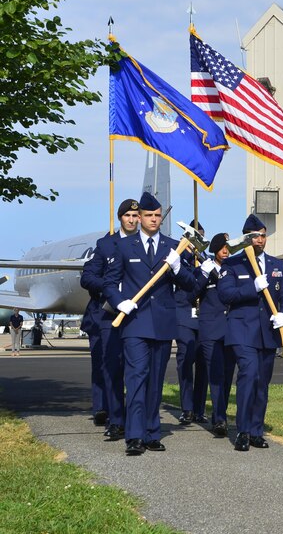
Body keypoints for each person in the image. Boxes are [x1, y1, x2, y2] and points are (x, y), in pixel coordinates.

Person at [103, 192, 196, 456]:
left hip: (164, 323)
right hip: (134, 322)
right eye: (149, 215)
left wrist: (179, 268)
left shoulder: (173, 246)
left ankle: (152, 432)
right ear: (140, 218)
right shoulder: (123, 246)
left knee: (156, 380)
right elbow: (110, 282)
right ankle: (134, 435)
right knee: (136, 377)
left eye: (157, 215)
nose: (153, 219)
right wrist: (120, 301)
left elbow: (190, 285)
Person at [218, 214, 283, 451]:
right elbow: (225, 295)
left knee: (262, 383)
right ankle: (242, 430)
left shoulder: (277, 265)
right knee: (248, 376)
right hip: (242, 331)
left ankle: (255, 430)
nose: (260, 240)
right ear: (246, 238)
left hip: (267, 333)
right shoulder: (232, 264)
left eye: (263, 236)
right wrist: (251, 288)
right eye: (255, 236)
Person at [80, 198, 140, 437]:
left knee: (136, 368)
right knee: (109, 365)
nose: (132, 220)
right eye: (128, 216)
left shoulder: (144, 244)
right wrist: (110, 289)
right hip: (107, 314)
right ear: (120, 217)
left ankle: (134, 416)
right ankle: (111, 414)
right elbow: (88, 277)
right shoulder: (106, 244)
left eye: (136, 216)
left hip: (137, 314)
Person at [194, 232, 236, 437]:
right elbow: (190, 294)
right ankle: (219, 419)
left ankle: (221, 413)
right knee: (216, 375)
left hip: (231, 330)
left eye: (228, 247)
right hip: (211, 330)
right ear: (215, 251)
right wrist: (203, 275)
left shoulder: (234, 270)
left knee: (227, 376)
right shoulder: (204, 268)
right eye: (222, 248)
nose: (226, 251)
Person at [175, 220, 207, 425]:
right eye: (194, 239)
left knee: (204, 365)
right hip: (184, 316)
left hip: (204, 318)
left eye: (200, 239)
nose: (197, 243)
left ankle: (199, 409)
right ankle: (187, 408)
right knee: (185, 360)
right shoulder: (178, 260)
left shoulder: (206, 260)